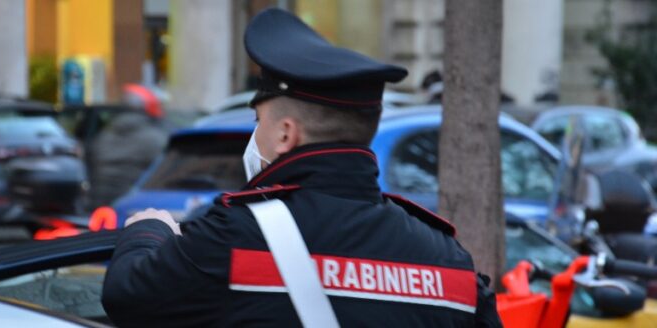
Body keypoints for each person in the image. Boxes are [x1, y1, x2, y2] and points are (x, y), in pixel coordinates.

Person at [102, 8, 502, 327]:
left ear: (285, 135)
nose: (254, 135)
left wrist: (147, 230)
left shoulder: (236, 236)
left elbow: (129, 297)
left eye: (259, 123)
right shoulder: (447, 260)